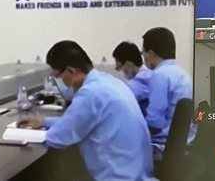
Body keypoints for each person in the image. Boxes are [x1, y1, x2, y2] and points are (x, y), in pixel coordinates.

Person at [17, 41, 155, 181]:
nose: (60, 82)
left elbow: (60, 137)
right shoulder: (108, 82)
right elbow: (75, 122)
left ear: (70, 71)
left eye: (58, 77)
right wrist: (44, 122)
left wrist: (20, 135)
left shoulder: (89, 93)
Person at [142, 27, 196, 160]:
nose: (143, 57)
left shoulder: (160, 75)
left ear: (151, 53)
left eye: (143, 53)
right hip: (184, 147)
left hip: (162, 150)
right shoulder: (183, 75)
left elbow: (154, 125)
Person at [113, 41, 153, 116]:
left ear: (128, 64)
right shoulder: (150, 73)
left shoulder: (141, 81)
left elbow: (120, 98)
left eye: (119, 67)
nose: (120, 71)